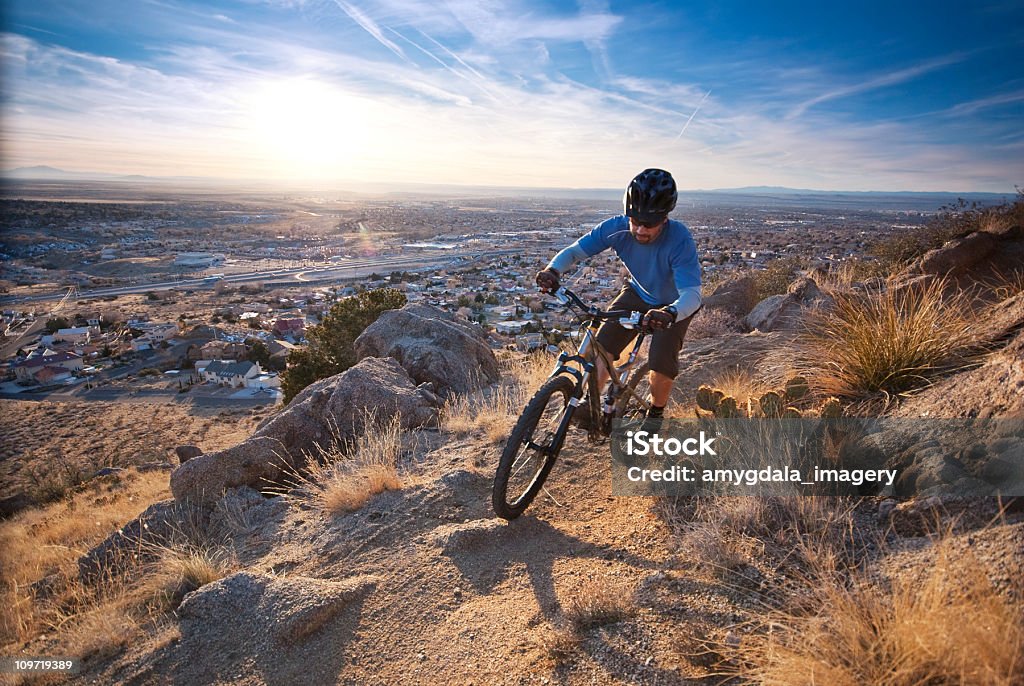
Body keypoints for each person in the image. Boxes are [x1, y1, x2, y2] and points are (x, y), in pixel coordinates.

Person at [535, 168, 702, 420]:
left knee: (660, 363)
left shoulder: (679, 239)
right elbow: (574, 252)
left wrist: (671, 313)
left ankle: (655, 414)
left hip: (672, 305)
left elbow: (692, 294)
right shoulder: (616, 228)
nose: (641, 230)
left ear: (665, 218)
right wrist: (553, 270)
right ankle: (593, 410)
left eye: (650, 224)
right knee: (601, 350)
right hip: (637, 293)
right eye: (635, 221)